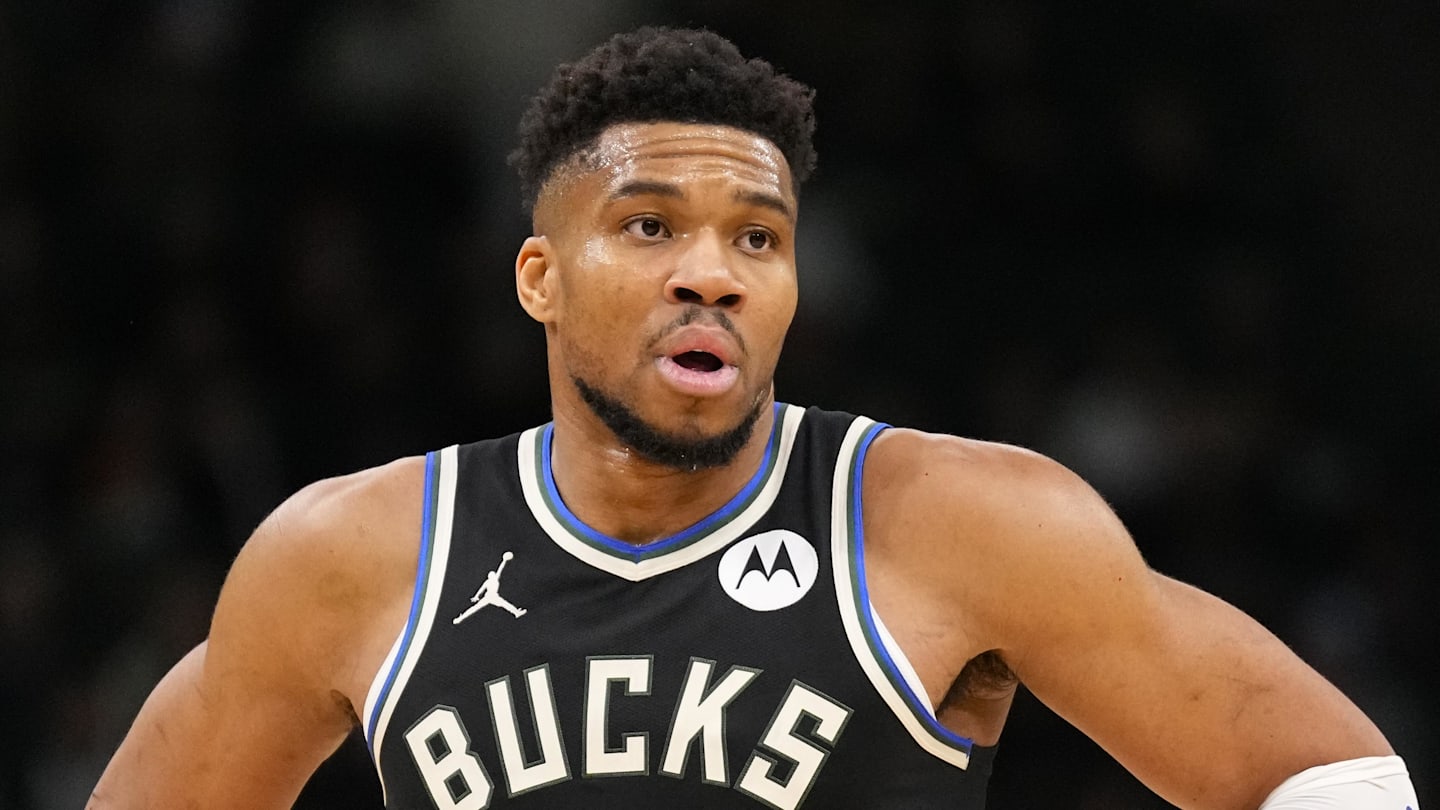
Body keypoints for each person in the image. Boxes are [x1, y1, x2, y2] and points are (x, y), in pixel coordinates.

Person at [88, 26, 1417, 810]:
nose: (711, 269)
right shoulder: (350, 555)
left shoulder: (957, 520)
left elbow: (1333, 782)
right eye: (650, 226)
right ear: (539, 280)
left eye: (758, 235)